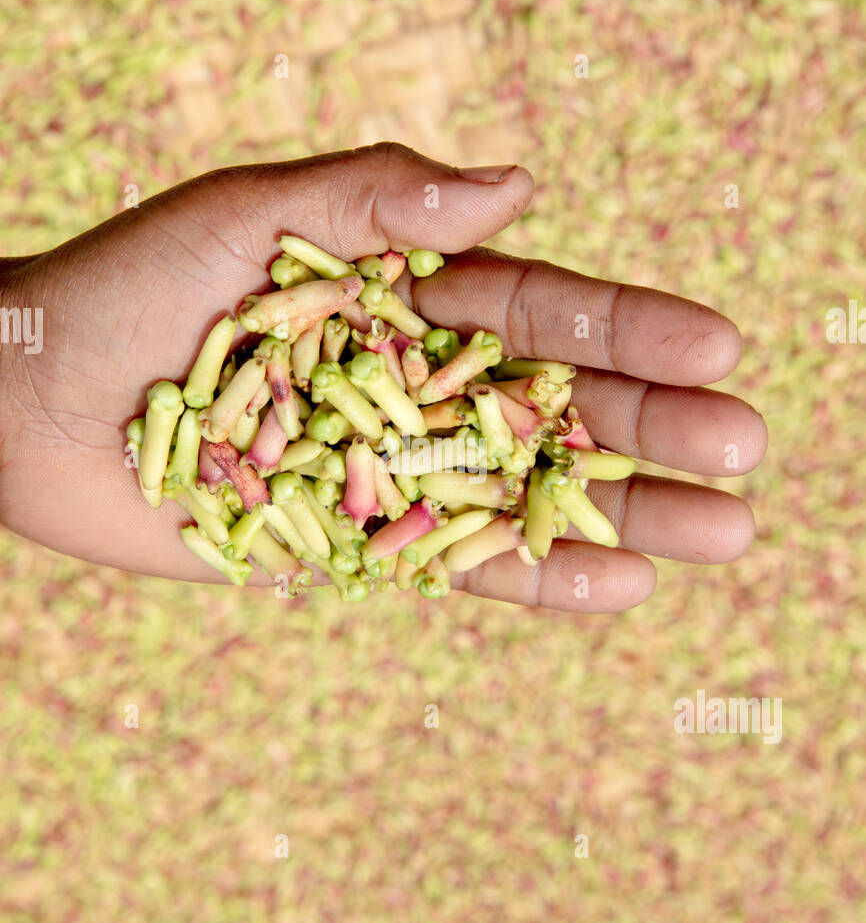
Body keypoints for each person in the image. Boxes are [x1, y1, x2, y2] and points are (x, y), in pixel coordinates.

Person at [0, 142, 766, 612]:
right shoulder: (355, 396)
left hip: (353, 434)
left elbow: (354, 434)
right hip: (350, 430)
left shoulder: (378, 408)